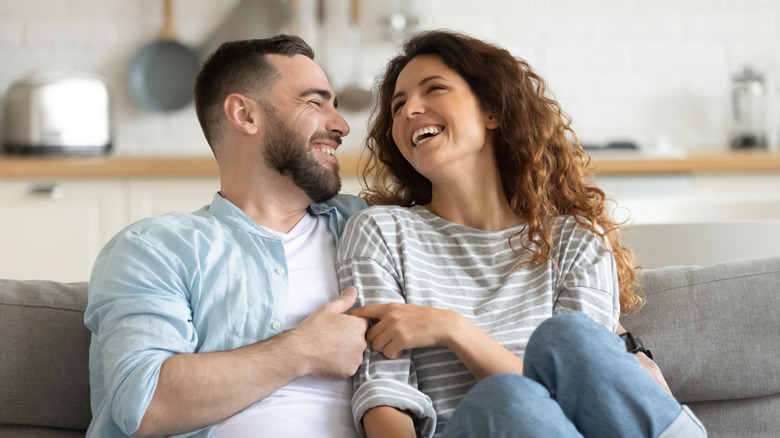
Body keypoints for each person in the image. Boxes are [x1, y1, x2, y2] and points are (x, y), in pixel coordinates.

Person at [336, 30, 706, 437]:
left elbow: (594, 392)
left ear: (491, 111)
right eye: (398, 105)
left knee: (571, 339)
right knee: (504, 398)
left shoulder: (575, 239)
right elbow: (383, 394)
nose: (409, 111)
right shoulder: (381, 233)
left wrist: (453, 330)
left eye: (434, 89)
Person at [84, 35, 369, 437]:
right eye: (315, 102)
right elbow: (146, 403)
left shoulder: (367, 227)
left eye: (335, 106)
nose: (340, 125)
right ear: (244, 114)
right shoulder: (156, 249)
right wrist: (304, 350)